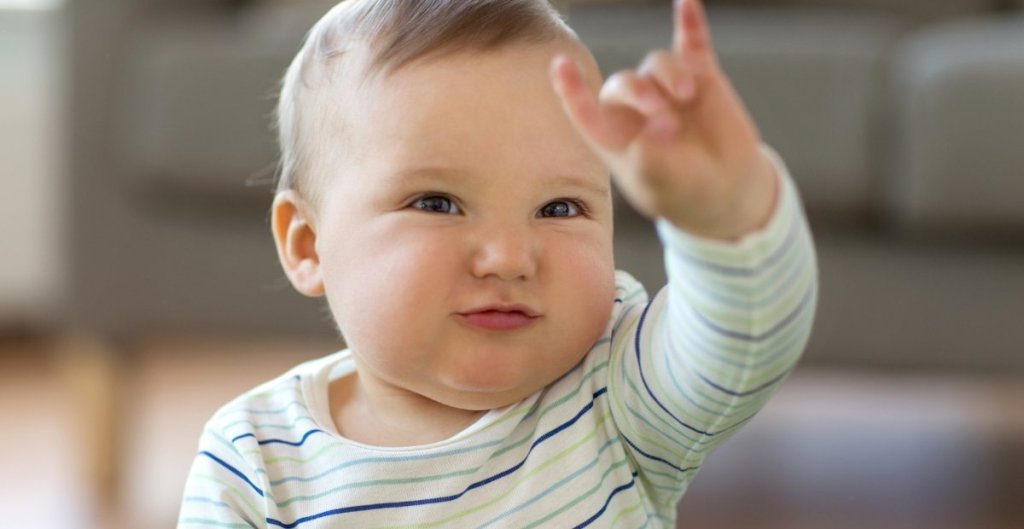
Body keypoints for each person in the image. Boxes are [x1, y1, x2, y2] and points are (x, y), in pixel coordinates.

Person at [178, 0, 817, 527]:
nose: (510, 257)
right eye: (438, 203)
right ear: (308, 244)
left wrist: (728, 213)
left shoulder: (612, 389)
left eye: (560, 208)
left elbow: (743, 341)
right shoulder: (256, 459)